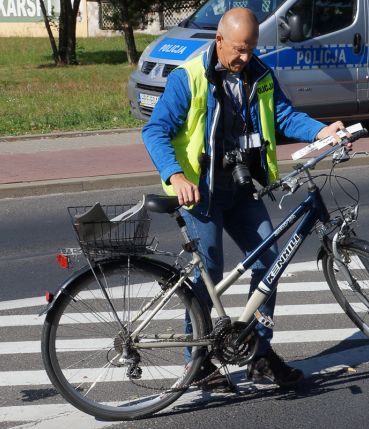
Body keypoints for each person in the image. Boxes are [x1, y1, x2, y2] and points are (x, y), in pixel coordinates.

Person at [142, 7, 349, 389]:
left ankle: (259, 355)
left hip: (241, 188)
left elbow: (284, 117)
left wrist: (321, 132)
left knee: (270, 261)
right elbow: (155, 131)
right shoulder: (188, 78)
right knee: (210, 273)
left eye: (251, 49)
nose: (244, 57)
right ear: (219, 40)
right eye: (238, 49)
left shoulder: (260, 74)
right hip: (200, 194)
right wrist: (175, 175)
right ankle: (199, 361)